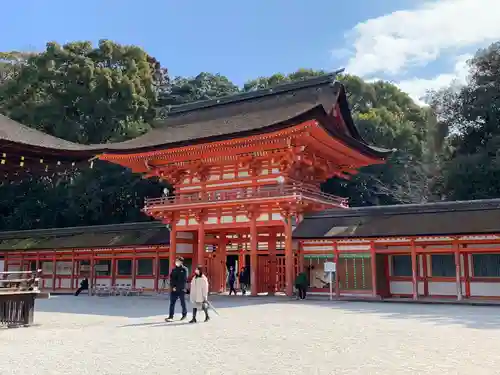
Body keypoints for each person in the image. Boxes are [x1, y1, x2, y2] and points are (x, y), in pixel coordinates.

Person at [165, 256, 188, 322]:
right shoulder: (174, 270)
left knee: (182, 303)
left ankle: (184, 315)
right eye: (176, 261)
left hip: (181, 289)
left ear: (181, 262)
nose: (176, 262)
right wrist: (173, 287)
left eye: (178, 261)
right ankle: (170, 316)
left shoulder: (184, 269)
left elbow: (183, 280)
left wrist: (177, 287)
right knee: (172, 303)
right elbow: (171, 279)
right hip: (174, 289)